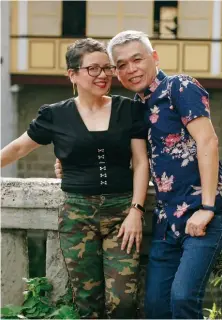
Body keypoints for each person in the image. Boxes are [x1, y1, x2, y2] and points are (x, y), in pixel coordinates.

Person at [55, 30, 222, 319]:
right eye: (122, 65)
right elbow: (129, 156)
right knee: (154, 307)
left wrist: (208, 207)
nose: (130, 69)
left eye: (137, 60)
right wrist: (69, 161)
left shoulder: (180, 86)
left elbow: (208, 141)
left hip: (204, 213)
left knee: (183, 298)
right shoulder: (137, 107)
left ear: (154, 57)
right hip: (166, 220)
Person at [0, 38, 150, 319]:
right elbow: (20, 147)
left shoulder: (128, 109)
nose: (103, 75)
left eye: (107, 68)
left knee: (125, 301)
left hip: (121, 213)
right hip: (77, 216)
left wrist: (136, 210)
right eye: (93, 69)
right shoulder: (55, 115)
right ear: (73, 74)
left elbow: (141, 162)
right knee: (86, 301)